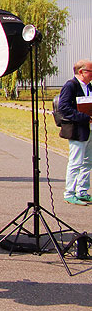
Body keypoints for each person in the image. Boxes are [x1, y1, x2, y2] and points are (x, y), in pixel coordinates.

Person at [58, 60, 92, 205]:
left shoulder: (89, 87)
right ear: (81, 72)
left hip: (88, 129)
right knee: (76, 162)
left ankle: (82, 191)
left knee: (88, 162)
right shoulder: (70, 85)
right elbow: (63, 108)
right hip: (77, 129)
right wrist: (85, 117)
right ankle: (69, 193)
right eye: (91, 71)